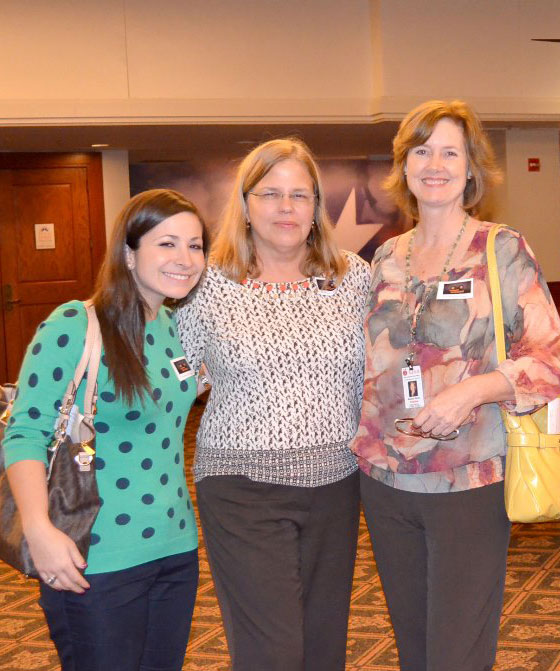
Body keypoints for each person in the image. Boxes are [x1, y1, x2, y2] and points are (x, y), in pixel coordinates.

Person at [352, 100, 560, 671]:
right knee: (414, 647)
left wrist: (472, 390)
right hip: (386, 477)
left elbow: (552, 358)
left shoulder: (501, 248)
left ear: (471, 168)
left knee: (456, 652)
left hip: (469, 480)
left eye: (450, 152)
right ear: (403, 167)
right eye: (421, 151)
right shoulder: (388, 257)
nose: (435, 164)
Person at [175, 138, 371, 671]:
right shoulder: (207, 283)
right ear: (244, 203)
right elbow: (175, 378)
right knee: (274, 650)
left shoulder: (352, 276)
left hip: (336, 482)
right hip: (242, 487)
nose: (286, 208)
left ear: (315, 208)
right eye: (270, 194)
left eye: (300, 195)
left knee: (323, 642)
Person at [3, 189, 209, 671]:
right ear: (129, 254)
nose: (184, 259)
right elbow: (24, 433)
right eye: (167, 243)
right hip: (94, 556)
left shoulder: (173, 326)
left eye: (195, 245)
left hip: (175, 547)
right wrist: (38, 531)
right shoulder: (76, 323)